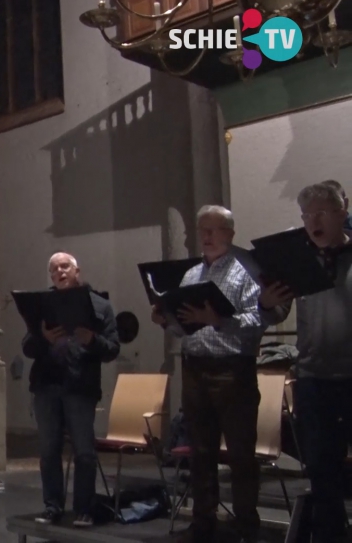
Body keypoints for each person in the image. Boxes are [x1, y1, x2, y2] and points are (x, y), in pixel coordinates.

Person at [150, 205, 266, 543]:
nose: (207, 237)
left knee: (241, 453)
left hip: (233, 371)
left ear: (230, 233)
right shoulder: (191, 276)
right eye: (203, 230)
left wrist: (220, 320)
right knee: (200, 451)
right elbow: (184, 327)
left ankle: (246, 524)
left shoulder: (246, 270)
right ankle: (203, 522)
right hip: (196, 369)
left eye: (214, 230)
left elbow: (259, 319)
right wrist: (167, 321)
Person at [257, 183, 352, 542]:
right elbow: (277, 309)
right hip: (315, 379)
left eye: (321, 212)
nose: (313, 220)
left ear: (342, 210)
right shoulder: (299, 260)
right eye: (307, 215)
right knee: (322, 471)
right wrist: (267, 303)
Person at [23, 252, 119, 527]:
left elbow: (112, 348)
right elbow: (27, 347)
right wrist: (43, 337)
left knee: (84, 452)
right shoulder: (43, 305)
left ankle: (83, 509)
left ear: (77, 271)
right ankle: (52, 507)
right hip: (46, 385)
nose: (59, 272)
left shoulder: (100, 305)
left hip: (80, 386)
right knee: (48, 451)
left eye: (65, 267)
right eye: (54, 269)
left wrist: (92, 340)